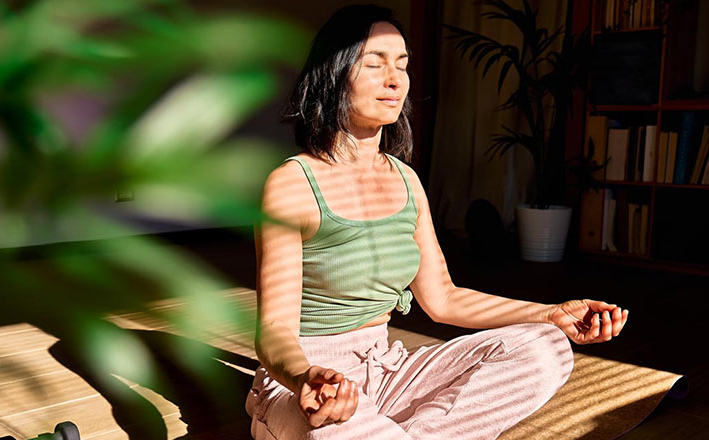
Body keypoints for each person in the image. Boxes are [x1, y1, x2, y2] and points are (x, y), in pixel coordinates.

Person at [246, 5, 629, 440]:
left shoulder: (405, 180)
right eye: (374, 64)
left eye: (403, 65)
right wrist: (306, 377)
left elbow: (443, 299)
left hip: (387, 369)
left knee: (546, 348)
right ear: (332, 74)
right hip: (312, 386)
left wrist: (551, 314)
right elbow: (274, 329)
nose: (395, 80)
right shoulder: (292, 183)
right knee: (334, 428)